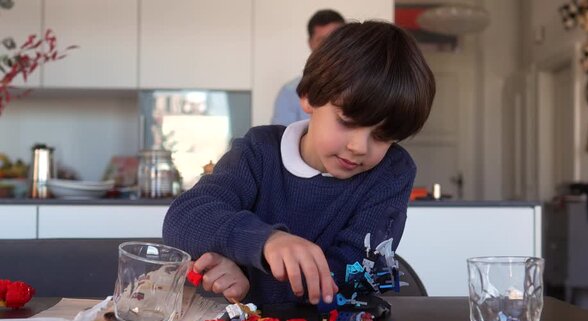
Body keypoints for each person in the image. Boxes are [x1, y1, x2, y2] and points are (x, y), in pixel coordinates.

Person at [163, 21, 436, 306]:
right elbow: (183, 218)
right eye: (347, 122)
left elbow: (355, 278)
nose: (359, 147)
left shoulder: (391, 172)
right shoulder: (259, 151)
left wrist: (247, 276)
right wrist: (267, 241)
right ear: (308, 97)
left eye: (382, 136)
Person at [271, 9, 345, 126]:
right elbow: (281, 140)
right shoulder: (290, 92)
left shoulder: (368, 83)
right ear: (310, 43)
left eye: (336, 38)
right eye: (323, 41)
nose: (331, 46)